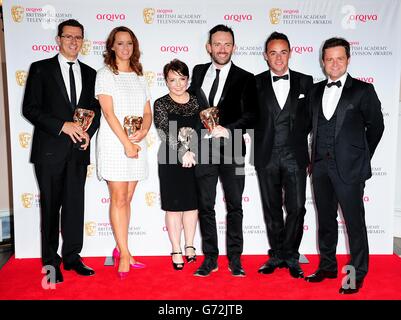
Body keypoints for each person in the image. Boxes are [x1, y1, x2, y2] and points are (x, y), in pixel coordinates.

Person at [22, 19, 100, 284]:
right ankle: (50, 263)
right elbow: (30, 109)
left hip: (78, 153)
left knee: (75, 208)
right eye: (68, 36)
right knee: (50, 209)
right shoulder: (41, 69)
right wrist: (62, 126)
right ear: (58, 39)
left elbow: (96, 112)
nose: (73, 41)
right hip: (50, 152)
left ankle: (73, 257)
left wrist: (89, 132)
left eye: (78, 37)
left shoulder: (91, 73)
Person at [304, 37, 384, 294]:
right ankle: (327, 266)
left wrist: (360, 156)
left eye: (340, 58)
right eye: (329, 59)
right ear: (323, 62)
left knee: (354, 223)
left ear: (348, 59)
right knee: (326, 221)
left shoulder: (363, 90)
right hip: (320, 168)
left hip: (349, 169)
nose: (334, 63)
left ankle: (356, 273)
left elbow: (376, 127)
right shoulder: (315, 91)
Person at [188, 24, 257, 277]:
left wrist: (227, 129)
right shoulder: (196, 73)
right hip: (203, 150)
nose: (222, 48)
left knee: (235, 206)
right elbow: (190, 110)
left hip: (232, 149)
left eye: (227, 44)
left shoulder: (246, 78)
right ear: (209, 47)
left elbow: (252, 115)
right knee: (206, 206)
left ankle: (236, 259)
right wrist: (188, 145)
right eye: (217, 44)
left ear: (234, 47)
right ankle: (210, 258)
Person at [253, 32, 313, 279]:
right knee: (271, 208)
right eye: (273, 53)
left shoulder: (306, 82)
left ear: (291, 52)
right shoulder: (254, 83)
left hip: (295, 155)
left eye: (283, 52)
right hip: (266, 155)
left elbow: (314, 118)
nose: (278, 58)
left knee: (297, 207)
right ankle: (277, 254)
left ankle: (290, 253)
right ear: (266, 56)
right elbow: (246, 117)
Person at [95, 26, 152, 279]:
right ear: (112, 47)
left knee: (127, 199)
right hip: (114, 144)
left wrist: (143, 132)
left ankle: (122, 249)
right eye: (120, 43)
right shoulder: (105, 74)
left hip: (136, 144)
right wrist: (126, 144)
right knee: (118, 199)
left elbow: (147, 111)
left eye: (129, 43)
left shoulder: (141, 76)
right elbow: (108, 113)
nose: (125, 47)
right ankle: (125, 255)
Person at [154, 59, 199, 270]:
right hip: (170, 159)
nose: (178, 84)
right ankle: (176, 248)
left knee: (192, 204)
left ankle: (190, 245)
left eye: (182, 79)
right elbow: (164, 132)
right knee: (173, 206)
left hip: (197, 157)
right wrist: (183, 152)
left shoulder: (198, 101)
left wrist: (194, 152)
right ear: (166, 81)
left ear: (188, 79)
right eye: (173, 79)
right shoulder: (161, 103)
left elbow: (204, 129)